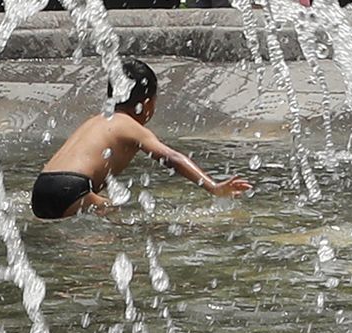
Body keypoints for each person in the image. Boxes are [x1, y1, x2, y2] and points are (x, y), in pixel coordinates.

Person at [31, 59, 252, 220]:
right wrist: (213, 187)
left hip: (41, 190)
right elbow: (171, 157)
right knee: (117, 227)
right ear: (146, 104)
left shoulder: (95, 121)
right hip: (71, 188)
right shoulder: (128, 125)